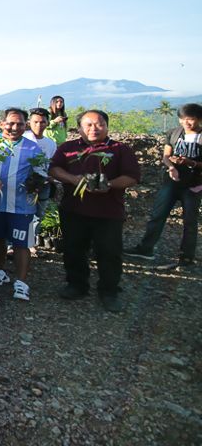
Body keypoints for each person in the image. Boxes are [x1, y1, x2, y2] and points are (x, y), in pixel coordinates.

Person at [49, 110, 141, 312]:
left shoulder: (119, 149)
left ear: (107, 126)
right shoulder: (68, 148)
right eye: (88, 125)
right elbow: (54, 169)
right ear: (79, 128)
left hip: (108, 212)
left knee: (109, 252)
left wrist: (110, 184)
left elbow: (132, 176)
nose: (93, 129)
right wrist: (73, 179)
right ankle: (77, 284)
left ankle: (109, 291)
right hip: (74, 210)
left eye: (99, 124)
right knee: (73, 249)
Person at [125, 102, 202, 268]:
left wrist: (190, 163)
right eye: (183, 119)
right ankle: (146, 249)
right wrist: (172, 166)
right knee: (157, 215)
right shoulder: (174, 133)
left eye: (191, 119)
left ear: (199, 119)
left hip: (194, 185)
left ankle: (186, 257)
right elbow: (166, 156)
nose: (187, 123)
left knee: (190, 221)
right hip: (171, 182)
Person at [0, 108, 48, 301]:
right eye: (10, 123)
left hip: (21, 206)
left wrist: (35, 184)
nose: (14, 127)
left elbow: (42, 174)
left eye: (20, 124)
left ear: (25, 125)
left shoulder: (33, 147)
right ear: (2, 123)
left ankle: (21, 282)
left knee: (22, 244)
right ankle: (0, 270)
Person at [24, 108, 58, 220]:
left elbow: (52, 163)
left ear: (48, 123)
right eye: (36, 122)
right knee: (25, 212)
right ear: (29, 123)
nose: (39, 125)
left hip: (43, 183)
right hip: (25, 183)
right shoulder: (23, 138)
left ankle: (35, 235)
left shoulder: (51, 144)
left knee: (39, 214)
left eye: (43, 122)